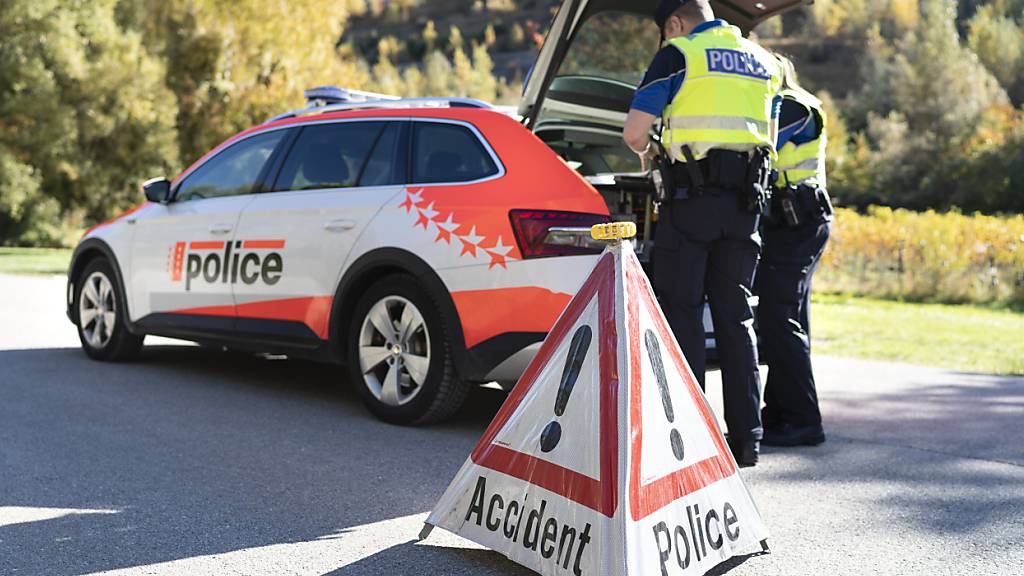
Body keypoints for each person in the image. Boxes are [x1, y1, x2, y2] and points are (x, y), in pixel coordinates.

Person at [623, 0, 781, 466]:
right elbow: (768, 132)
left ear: (674, 22)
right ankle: (747, 440)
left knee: (684, 312)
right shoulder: (762, 60)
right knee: (736, 318)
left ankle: (691, 438)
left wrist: (653, 147)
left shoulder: (681, 54)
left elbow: (635, 133)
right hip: (746, 204)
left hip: (692, 203)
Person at [756, 55, 832, 447]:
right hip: (791, 222)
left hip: (798, 222)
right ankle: (782, 413)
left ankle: (803, 420)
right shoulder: (789, 104)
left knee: (778, 318)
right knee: (783, 318)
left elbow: (762, 145)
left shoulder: (792, 105)